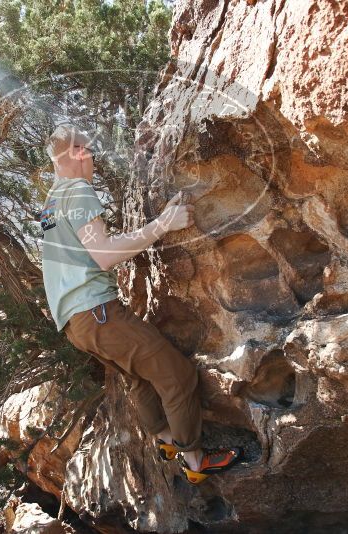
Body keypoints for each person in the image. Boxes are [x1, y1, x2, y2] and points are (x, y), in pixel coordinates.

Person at [39, 124, 242, 484]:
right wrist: (163, 223)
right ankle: (195, 461)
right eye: (87, 150)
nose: (93, 159)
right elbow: (103, 254)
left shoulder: (52, 203)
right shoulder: (78, 191)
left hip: (75, 323)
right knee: (177, 376)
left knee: (138, 379)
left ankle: (165, 440)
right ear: (74, 154)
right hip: (96, 312)